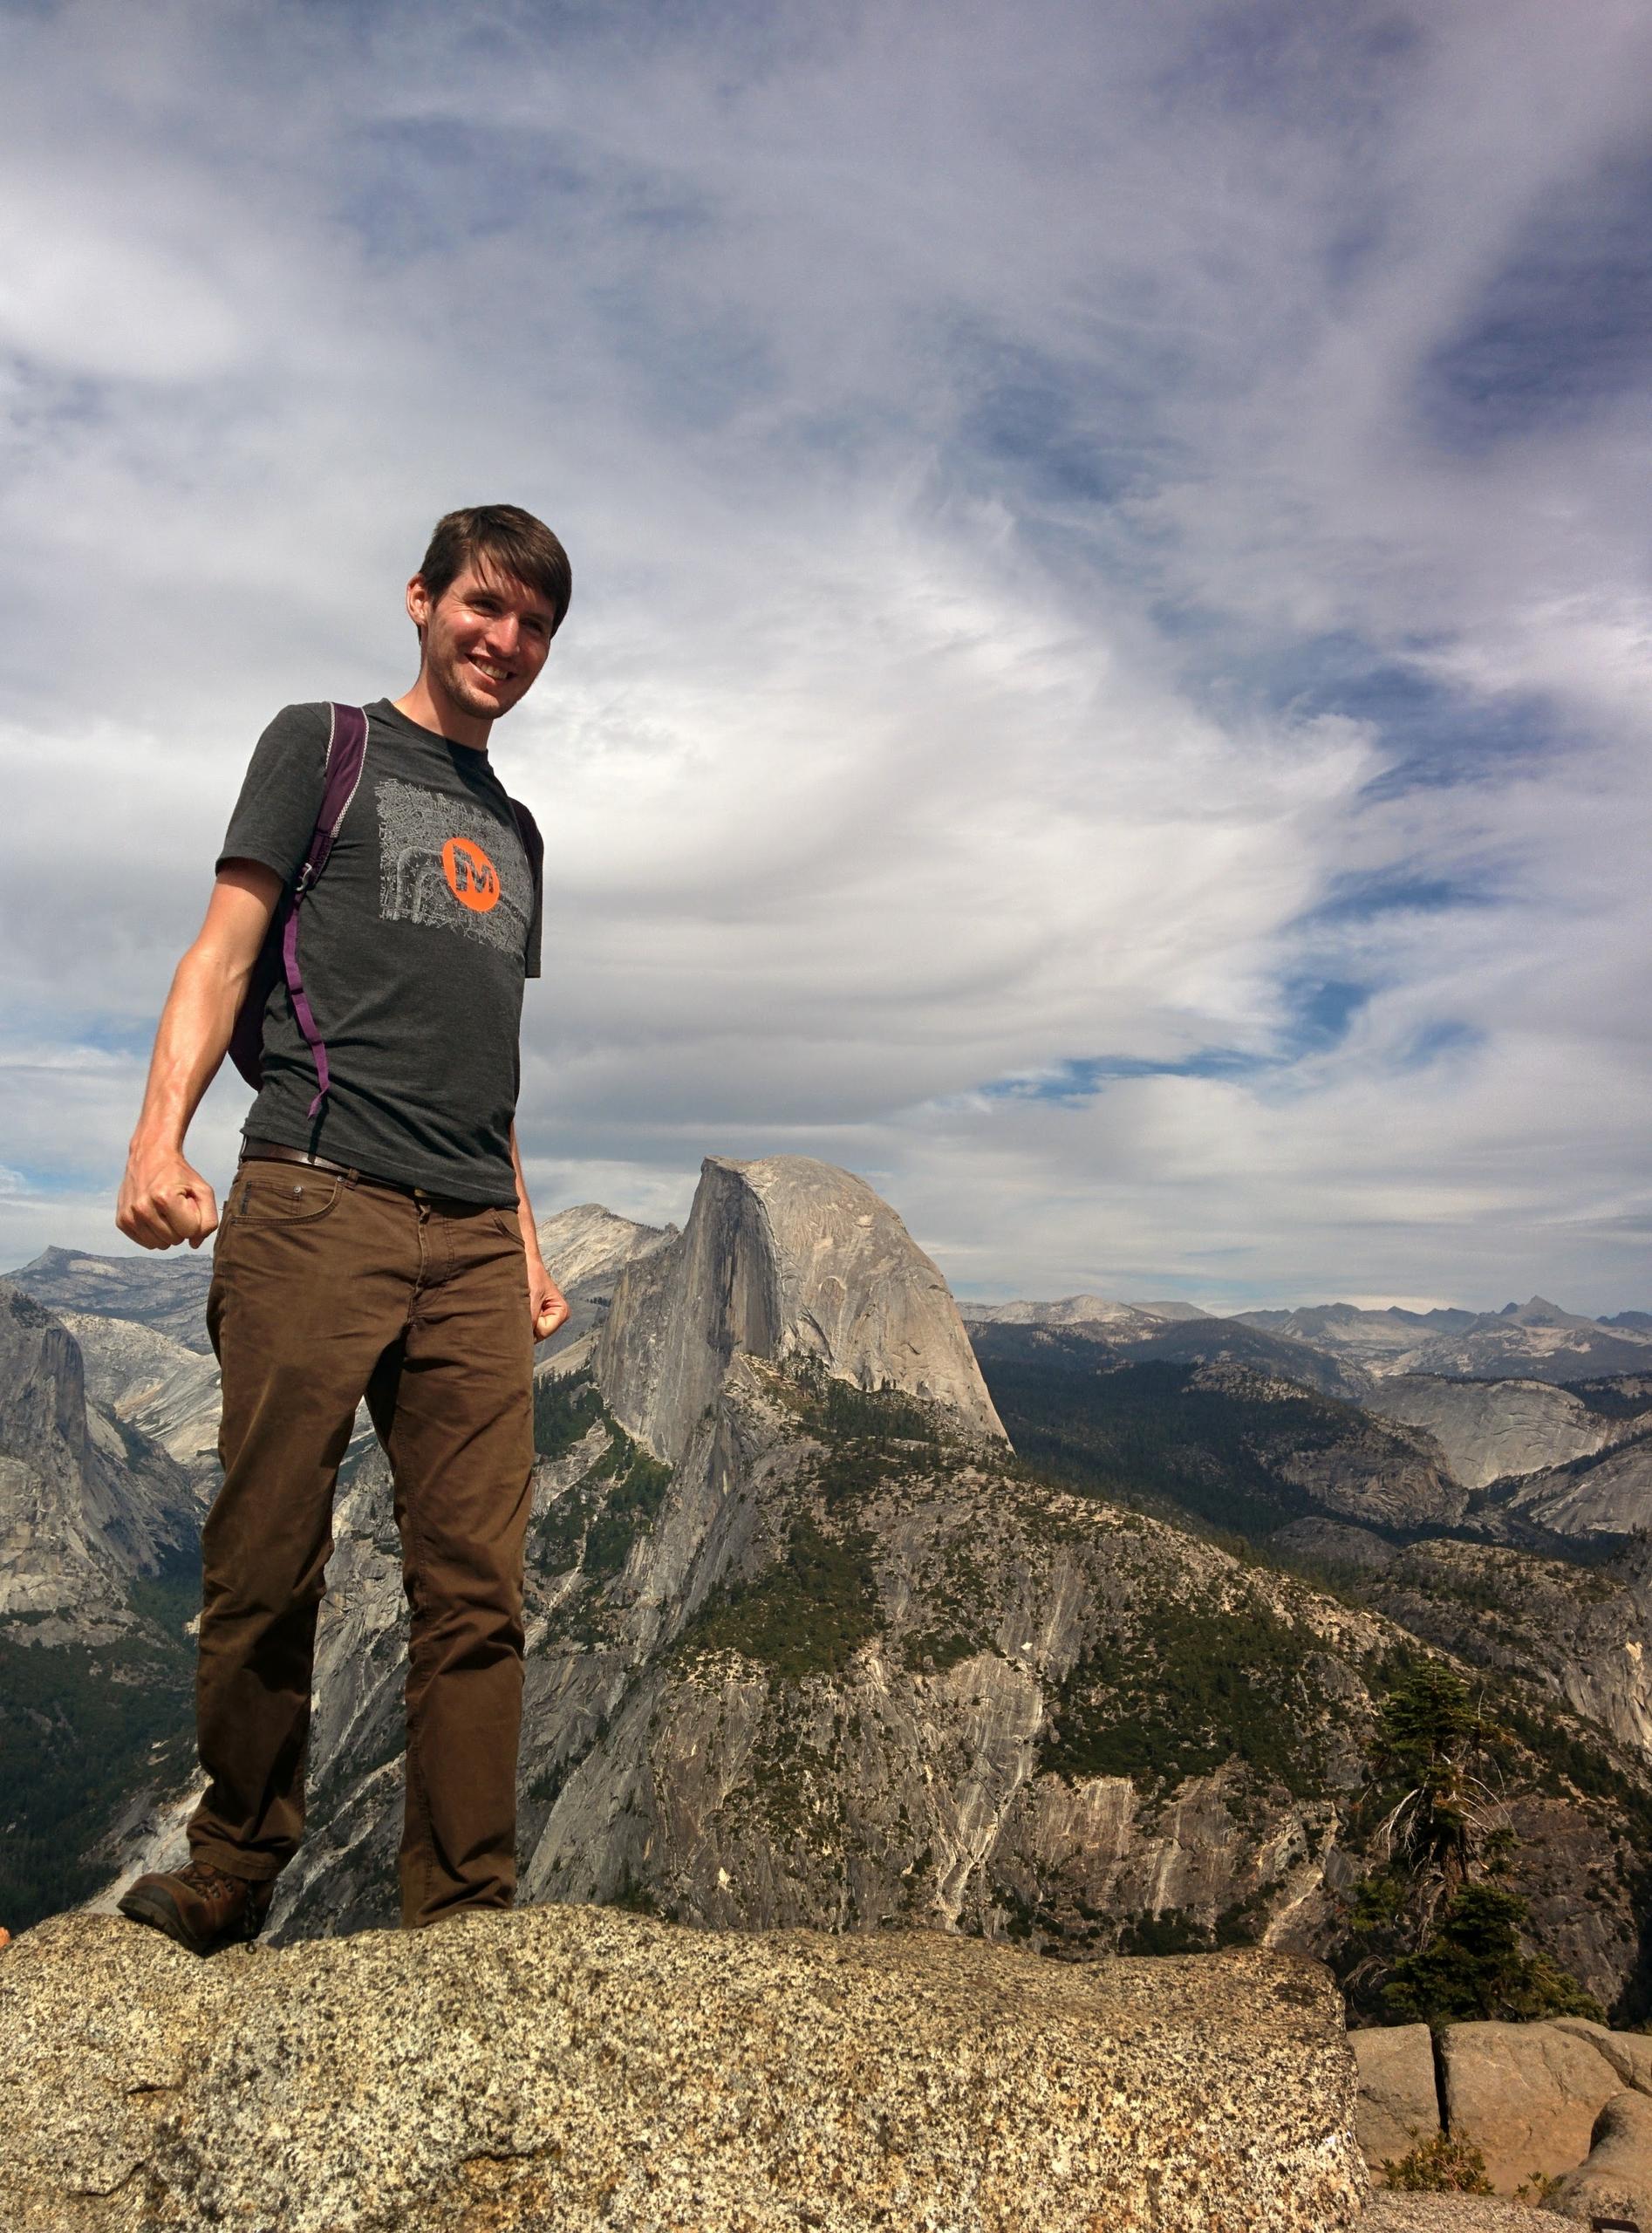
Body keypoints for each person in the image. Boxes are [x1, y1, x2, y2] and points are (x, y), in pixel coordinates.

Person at [113, 503, 573, 1954]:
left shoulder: (518, 832)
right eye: (483, 607)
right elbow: (222, 950)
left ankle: (460, 1913)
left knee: (476, 1597)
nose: (505, 641)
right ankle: (234, 1866)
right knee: (268, 1556)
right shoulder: (323, 746)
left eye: (535, 623)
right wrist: (154, 1137)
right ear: (423, 600)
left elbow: (478, 1051)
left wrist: (526, 1234)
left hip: (471, 1238)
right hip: (317, 1196)